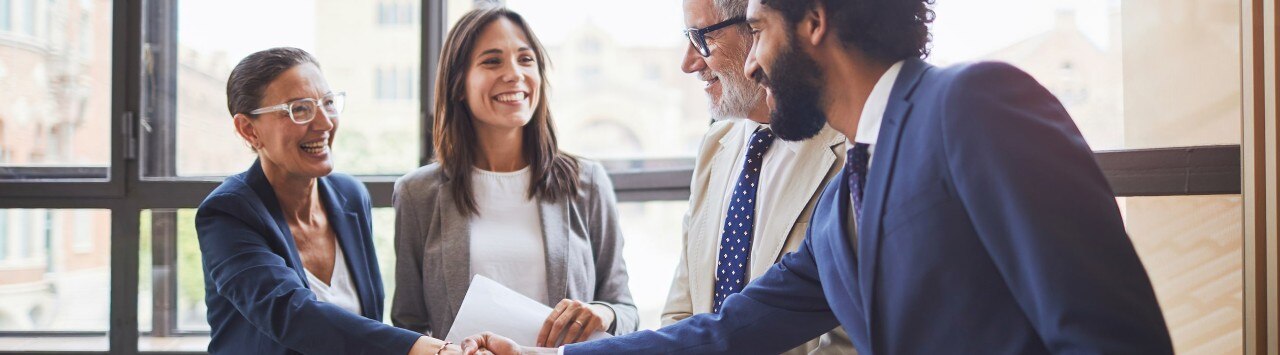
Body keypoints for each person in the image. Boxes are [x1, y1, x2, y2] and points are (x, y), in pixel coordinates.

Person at [463, 0, 1174, 353]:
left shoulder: (974, 103)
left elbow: (1109, 333)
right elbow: (722, 333)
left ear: (813, 23)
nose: (749, 62)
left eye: (758, 31)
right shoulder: (842, 205)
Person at [391, 6, 637, 349]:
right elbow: (408, 325)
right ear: (458, 84)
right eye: (492, 61)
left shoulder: (587, 183)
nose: (514, 74)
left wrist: (603, 313)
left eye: (525, 59)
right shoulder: (417, 194)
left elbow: (625, 310)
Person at [196, 47, 459, 355]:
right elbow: (290, 313)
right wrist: (420, 348)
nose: (325, 123)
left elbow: (364, 324)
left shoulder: (350, 196)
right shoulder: (227, 213)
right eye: (299, 109)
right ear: (249, 129)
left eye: (328, 103)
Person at [664, 0, 852, 354]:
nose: (688, 63)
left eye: (702, 37)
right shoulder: (715, 144)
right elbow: (681, 309)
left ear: (757, 29)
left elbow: (851, 335)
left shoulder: (852, 151)